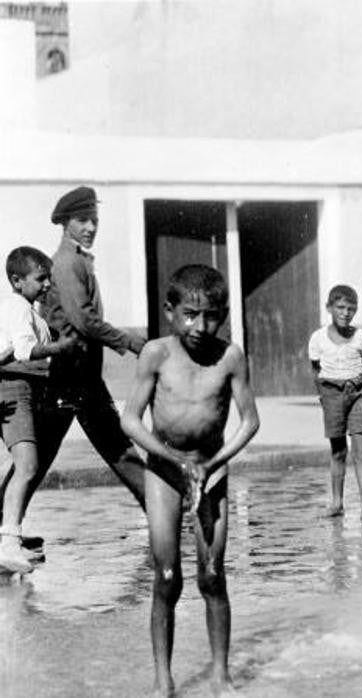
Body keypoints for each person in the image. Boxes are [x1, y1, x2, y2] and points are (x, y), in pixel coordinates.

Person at [119, 264, 260, 696]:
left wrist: (213, 463)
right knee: (165, 577)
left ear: (224, 314)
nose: (201, 326)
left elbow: (250, 422)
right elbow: (130, 421)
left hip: (210, 471)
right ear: (170, 311)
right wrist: (175, 461)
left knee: (213, 574)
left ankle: (220, 674)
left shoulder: (231, 356)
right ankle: (163, 680)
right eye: (190, 314)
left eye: (212, 315)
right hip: (165, 471)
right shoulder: (156, 354)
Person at [21, 186, 147, 529]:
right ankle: (164, 516)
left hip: (80, 375)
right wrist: (133, 343)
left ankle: (164, 517)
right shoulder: (66, 263)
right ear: (64, 223)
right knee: (42, 459)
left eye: (95, 220)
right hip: (68, 376)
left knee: (114, 450)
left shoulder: (76, 260)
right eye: (82, 220)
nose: (91, 227)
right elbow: (83, 321)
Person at [0, 247, 78, 573]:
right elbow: (23, 350)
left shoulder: (26, 308)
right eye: (40, 278)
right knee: (28, 465)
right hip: (13, 388)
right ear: (17, 281)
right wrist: (60, 346)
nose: (47, 284)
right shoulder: (17, 306)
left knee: (17, 466)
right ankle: (8, 542)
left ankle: (7, 534)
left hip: (22, 388)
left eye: (48, 278)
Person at [308, 284, 362, 521]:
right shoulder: (318, 338)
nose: (345, 313)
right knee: (338, 451)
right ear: (329, 308)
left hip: (357, 393)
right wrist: (327, 395)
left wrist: (354, 384)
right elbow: (316, 369)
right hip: (331, 394)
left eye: (351, 309)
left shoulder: (361, 337)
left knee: (360, 451)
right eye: (340, 307)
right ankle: (337, 503)